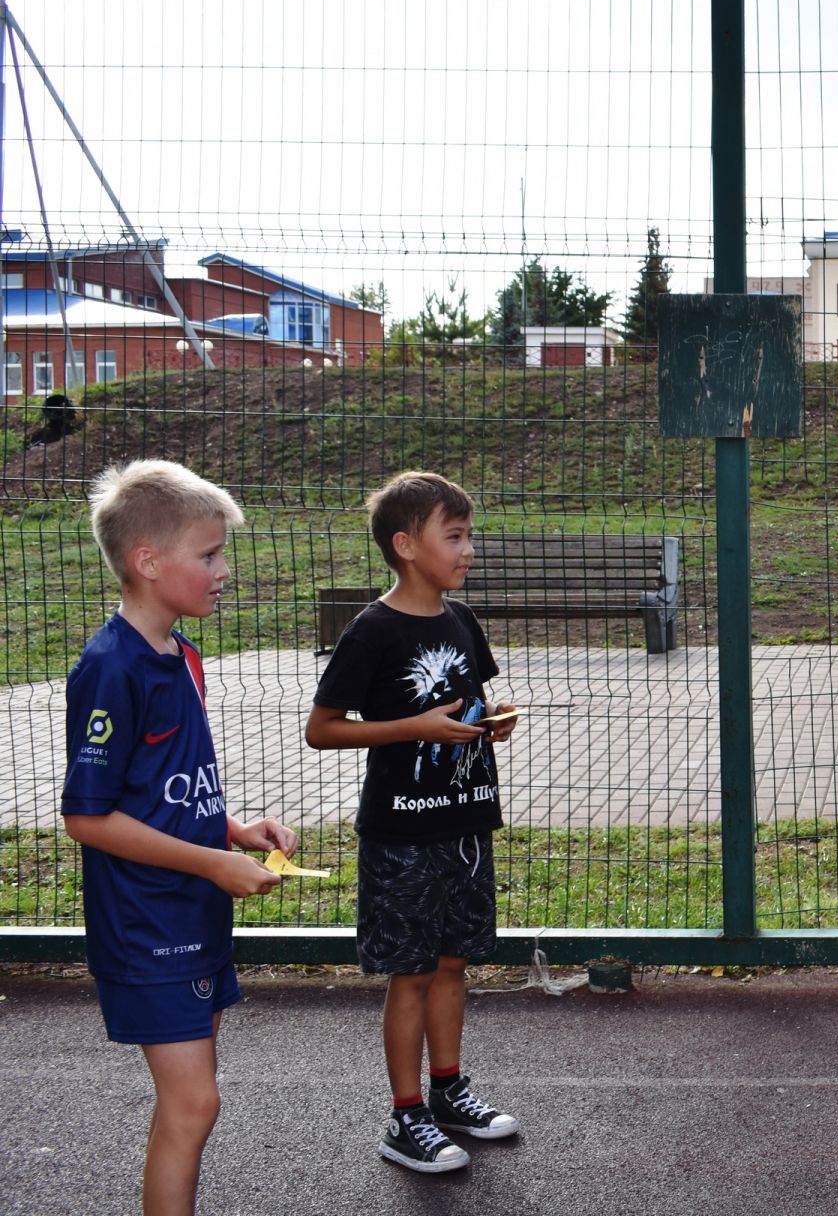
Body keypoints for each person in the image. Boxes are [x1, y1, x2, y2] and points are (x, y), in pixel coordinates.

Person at [60, 459, 297, 1216]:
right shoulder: (110, 670)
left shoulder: (183, 655)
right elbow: (87, 816)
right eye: (209, 554)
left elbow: (160, 789)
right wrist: (212, 861)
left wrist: (237, 830)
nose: (223, 570)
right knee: (194, 1106)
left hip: (193, 908)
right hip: (146, 922)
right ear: (148, 561)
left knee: (191, 1105)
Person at [305, 471, 522, 1173]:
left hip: (465, 824)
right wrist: (409, 728)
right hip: (401, 833)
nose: (468, 550)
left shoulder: (460, 620)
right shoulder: (372, 630)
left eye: (468, 535)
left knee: (454, 963)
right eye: (453, 536)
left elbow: (464, 706)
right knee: (412, 973)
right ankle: (405, 1119)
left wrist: (488, 727)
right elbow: (323, 730)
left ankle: (449, 1090)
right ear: (405, 545)